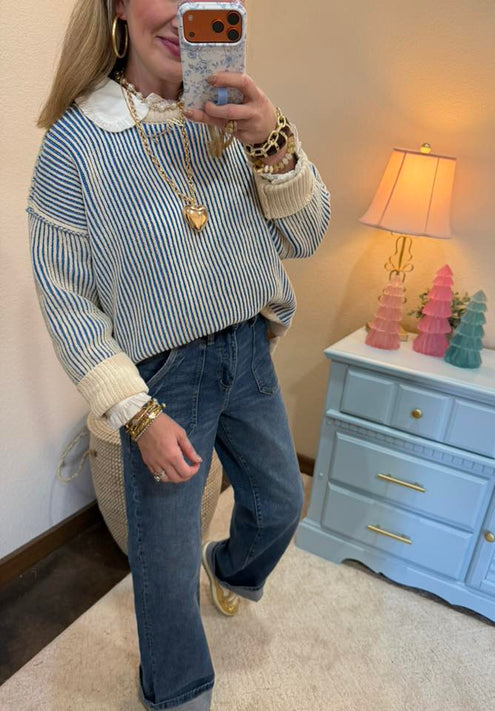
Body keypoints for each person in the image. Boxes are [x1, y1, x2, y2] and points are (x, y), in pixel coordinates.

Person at [27, 0, 330, 708]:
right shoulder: (75, 144)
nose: (183, 13)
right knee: (164, 565)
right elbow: (66, 301)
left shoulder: (236, 115)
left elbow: (307, 235)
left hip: (247, 347)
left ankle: (232, 571)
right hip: (163, 376)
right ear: (119, 5)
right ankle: (177, 691)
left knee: (281, 503)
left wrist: (272, 140)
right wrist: (136, 412)